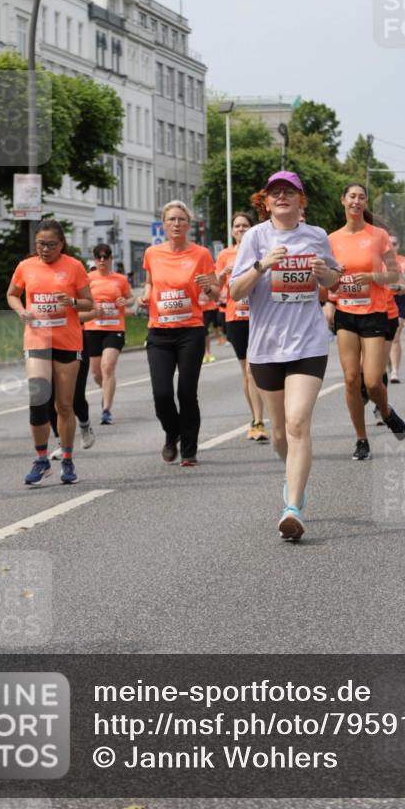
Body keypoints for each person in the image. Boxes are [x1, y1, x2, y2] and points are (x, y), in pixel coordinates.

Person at [230, 171, 341, 541]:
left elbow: (333, 281)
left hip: (308, 343)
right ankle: (294, 475)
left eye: (289, 192)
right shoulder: (256, 237)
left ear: (300, 200)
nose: (282, 197)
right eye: (275, 193)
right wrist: (262, 266)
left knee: (297, 424)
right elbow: (234, 292)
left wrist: (325, 272)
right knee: (279, 432)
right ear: (266, 200)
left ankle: (292, 507)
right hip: (266, 347)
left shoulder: (317, 236)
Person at [324, 183, 405, 461]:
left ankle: (385, 411)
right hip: (346, 313)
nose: (356, 201)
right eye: (351, 196)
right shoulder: (331, 239)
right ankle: (361, 439)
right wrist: (331, 287)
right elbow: (328, 281)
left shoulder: (378, 235)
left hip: (374, 312)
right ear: (343, 201)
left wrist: (371, 278)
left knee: (372, 382)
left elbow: (394, 275)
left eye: (361, 197)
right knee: (351, 378)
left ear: (365, 203)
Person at [6, 219, 93, 486]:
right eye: (41, 244)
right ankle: (42, 459)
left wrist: (73, 302)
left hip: (67, 341)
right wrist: (22, 311)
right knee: (38, 400)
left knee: (64, 405)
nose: (45, 249)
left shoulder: (74, 266)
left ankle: (67, 458)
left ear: (62, 244)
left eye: (51, 245)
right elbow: (12, 294)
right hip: (37, 340)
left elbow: (90, 302)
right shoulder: (25, 266)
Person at [140, 200, 217, 467]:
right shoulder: (152, 253)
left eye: (181, 220)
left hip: (190, 332)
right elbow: (150, 284)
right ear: (164, 223)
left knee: (186, 392)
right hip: (159, 333)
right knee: (162, 394)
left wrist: (209, 287)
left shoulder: (201, 254)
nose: (176, 224)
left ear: (188, 224)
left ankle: (189, 449)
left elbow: (216, 293)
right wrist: (145, 296)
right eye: (171, 219)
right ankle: (171, 433)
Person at [215, 212, 268, 442]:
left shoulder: (261, 249)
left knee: (257, 369)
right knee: (246, 371)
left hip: (260, 315)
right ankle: (256, 419)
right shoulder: (225, 254)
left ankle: (263, 417)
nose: (240, 230)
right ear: (231, 230)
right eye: (236, 226)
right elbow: (217, 290)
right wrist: (221, 274)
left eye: (245, 226)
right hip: (235, 317)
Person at [83, 243, 134, 424]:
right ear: (95, 260)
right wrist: (91, 308)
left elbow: (130, 298)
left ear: (111, 259)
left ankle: (106, 410)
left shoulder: (120, 279)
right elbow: (82, 301)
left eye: (106, 257)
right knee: (96, 373)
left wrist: (124, 301)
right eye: (99, 257)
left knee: (108, 367)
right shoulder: (87, 279)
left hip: (114, 328)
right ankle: (106, 389)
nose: (102, 260)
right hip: (92, 329)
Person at [388, 234, 405, 382]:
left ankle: (395, 371)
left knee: (395, 336)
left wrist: (398, 285)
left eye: (394, 244)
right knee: (385, 338)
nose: (391, 246)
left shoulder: (404, 261)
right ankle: (388, 363)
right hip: (382, 299)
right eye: (389, 244)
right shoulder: (379, 260)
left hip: (399, 298)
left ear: (398, 245)